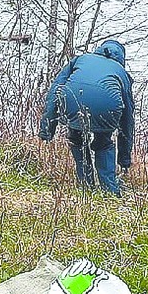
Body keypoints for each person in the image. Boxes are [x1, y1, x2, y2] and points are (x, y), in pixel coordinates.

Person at [39, 39, 135, 196]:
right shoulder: (121, 72)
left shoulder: (80, 59)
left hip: (72, 102)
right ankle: (109, 191)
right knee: (103, 143)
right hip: (106, 107)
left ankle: (85, 185)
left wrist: (47, 130)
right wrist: (124, 159)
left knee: (76, 137)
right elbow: (127, 119)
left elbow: (54, 91)